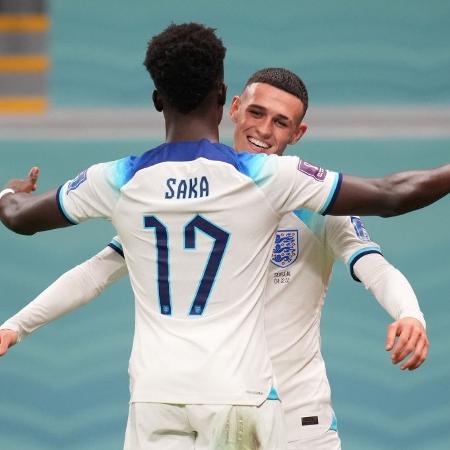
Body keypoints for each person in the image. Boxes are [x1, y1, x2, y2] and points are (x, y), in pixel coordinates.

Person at [0, 22, 448, 448]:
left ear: (298, 131)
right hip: (242, 403)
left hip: (298, 417)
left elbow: (376, 267)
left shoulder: (309, 203)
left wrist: (410, 313)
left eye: (280, 121)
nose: (264, 130)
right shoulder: (251, 186)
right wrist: (16, 325)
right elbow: (97, 271)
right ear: (229, 105)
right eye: (256, 113)